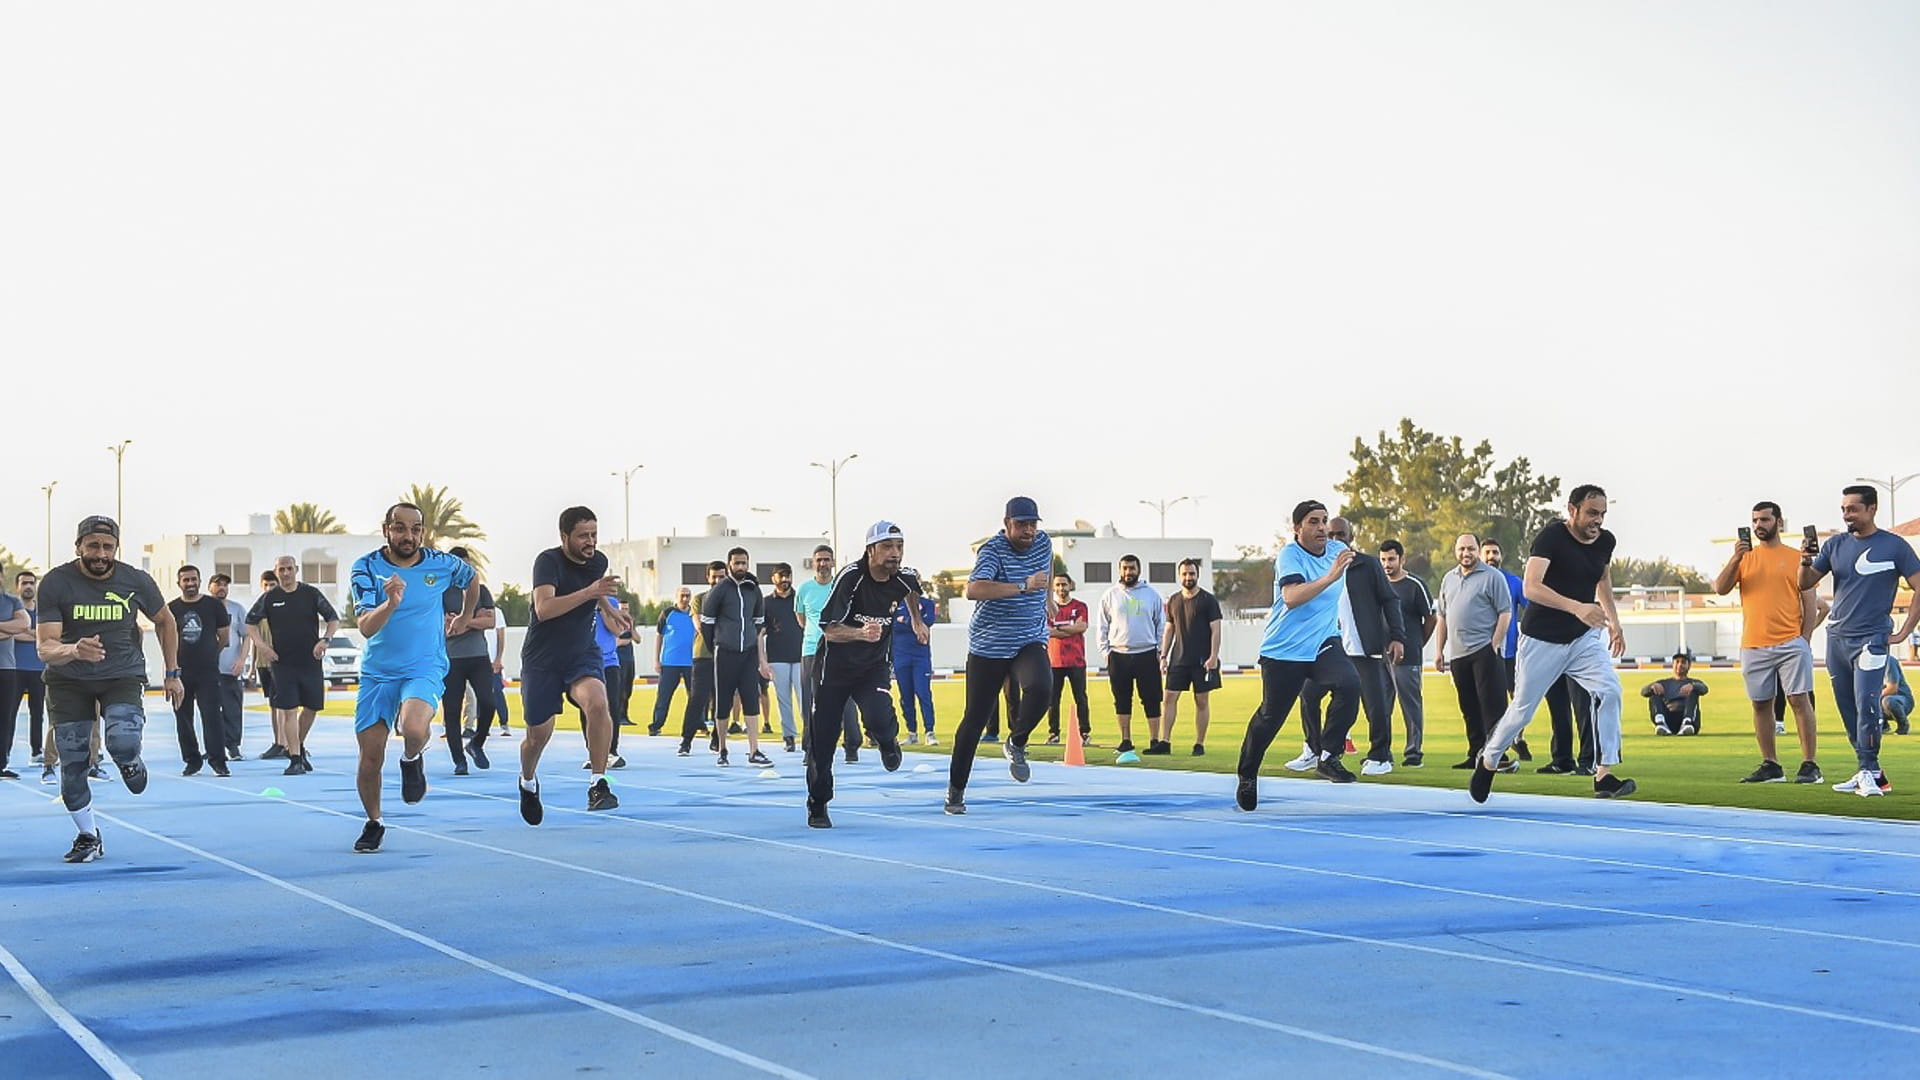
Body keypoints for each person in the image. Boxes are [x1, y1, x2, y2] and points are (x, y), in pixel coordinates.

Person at [1473, 485, 1636, 803]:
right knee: (1522, 711)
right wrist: (1577, 606)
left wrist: (1614, 623)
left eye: (1602, 514)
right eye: (1591, 513)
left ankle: (1604, 774)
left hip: (1583, 639)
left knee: (1610, 691)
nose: (1597, 521)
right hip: (1542, 639)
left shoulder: (1605, 541)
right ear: (1572, 510)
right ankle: (1490, 759)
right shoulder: (1551, 538)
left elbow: (1602, 579)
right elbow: (1532, 587)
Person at [36, 515, 185, 862]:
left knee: (123, 742)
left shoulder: (135, 580)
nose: (101, 553)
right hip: (68, 680)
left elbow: (164, 620)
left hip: (121, 675)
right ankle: (88, 835)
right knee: (73, 764)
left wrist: (173, 672)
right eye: (93, 546)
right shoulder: (56, 583)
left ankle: (130, 760)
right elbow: (45, 646)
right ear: (78, 547)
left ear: (116, 548)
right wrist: (74, 650)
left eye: (108, 546)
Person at [344, 503, 481, 852]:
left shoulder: (442, 563)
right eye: (400, 528)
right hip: (379, 673)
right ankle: (374, 822)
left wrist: (465, 617)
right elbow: (365, 627)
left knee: (415, 727)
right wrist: (390, 603)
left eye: (415, 529)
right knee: (371, 756)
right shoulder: (367, 568)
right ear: (386, 529)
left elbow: (472, 578)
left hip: (425, 665)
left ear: (423, 531)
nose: (409, 536)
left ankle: (411, 759)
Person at [1234, 500, 1362, 810]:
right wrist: (1330, 578)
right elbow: (1291, 598)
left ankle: (1329, 755)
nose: (1321, 528)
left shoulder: (1336, 550)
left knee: (1350, 683)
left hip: (1323, 642)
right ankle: (1248, 774)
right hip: (1285, 650)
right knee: (1270, 717)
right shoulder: (1290, 555)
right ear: (1298, 528)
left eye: (1324, 521)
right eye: (1313, 522)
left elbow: (1365, 565)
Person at [803, 521, 927, 828]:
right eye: (887, 547)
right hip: (834, 669)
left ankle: (888, 741)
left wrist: (915, 620)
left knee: (879, 718)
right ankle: (818, 803)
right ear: (870, 550)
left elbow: (912, 590)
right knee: (824, 740)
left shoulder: (904, 577)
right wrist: (860, 633)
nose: (894, 553)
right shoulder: (851, 577)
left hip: (872, 667)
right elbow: (829, 631)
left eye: (899, 546)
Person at [1799, 484, 1920, 797]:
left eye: (1852, 508)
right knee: (1848, 708)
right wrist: (1804, 559)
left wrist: (1905, 631)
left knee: (1868, 703)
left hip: (1872, 639)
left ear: (1871, 509)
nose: (1846, 514)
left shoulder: (1895, 546)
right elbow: (1805, 583)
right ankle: (1871, 772)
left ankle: (1868, 769)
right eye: (1843, 509)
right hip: (1837, 638)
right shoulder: (1835, 545)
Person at [517, 506, 626, 822]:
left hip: (581, 653)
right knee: (538, 736)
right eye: (583, 536)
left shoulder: (599, 562)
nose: (590, 541)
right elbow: (544, 608)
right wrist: (592, 592)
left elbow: (594, 589)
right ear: (564, 536)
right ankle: (527, 782)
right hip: (543, 659)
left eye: (594, 534)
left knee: (597, 702)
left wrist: (608, 608)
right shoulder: (548, 562)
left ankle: (598, 783)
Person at [946, 497, 1054, 815]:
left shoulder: (1044, 542)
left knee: (1042, 687)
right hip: (989, 645)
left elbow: (1045, 570)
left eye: (1032, 524)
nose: (1028, 531)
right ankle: (956, 790)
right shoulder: (992, 551)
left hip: (1028, 638)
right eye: (1021, 525)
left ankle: (1016, 742)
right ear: (1007, 524)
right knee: (975, 720)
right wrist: (1023, 586)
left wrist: (1047, 599)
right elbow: (974, 589)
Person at [1713, 501, 1823, 783]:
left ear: (1779, 522)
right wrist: (1736, 558)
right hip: (1753, 643)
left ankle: (1810, 764)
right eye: (1755, 521)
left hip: (1790, 642)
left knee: (1799, 700)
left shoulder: (1796, 556)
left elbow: (1809, 602)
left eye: (1764, 520)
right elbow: (1720, 588)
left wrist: (1804, 639)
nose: (1759, 526)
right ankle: (1770, 765)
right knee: (1761, 704)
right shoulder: (1744, 558)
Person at [1298, 519, 1407, 776]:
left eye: (1341, 534)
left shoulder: (1367, 565)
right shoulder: (1320, 565)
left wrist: (1397, 636)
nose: (1335, 538)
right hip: (1328, 647)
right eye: (1331, 533)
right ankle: (1315, 750)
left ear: (1351, 536)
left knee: (1375, 704)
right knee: (1308, 695)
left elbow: (1389, 599)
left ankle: (1380, 755)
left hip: (1363, 646)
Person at [246, 555, 338, 776]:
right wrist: (263, 647)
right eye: (281, 569)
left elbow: (333, 618)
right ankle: (295, 758)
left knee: (312, 707)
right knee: (288, 710)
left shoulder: (310, 593)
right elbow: (250, 622)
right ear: (276, 571)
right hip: (282, 663)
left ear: (296, 570)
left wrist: (325, 640)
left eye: (289, 569)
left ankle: (296, 745)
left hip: (310, 661)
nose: (285, 573)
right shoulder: (270, 598)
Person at [1434, 534, 1514, 773]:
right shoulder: (1449, 579)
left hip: (1484, 651)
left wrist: (1494, 644)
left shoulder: (1493, 577)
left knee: (1492, 707)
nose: (1465, 553)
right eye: (1461, 549)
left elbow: (1505, 613)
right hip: (1458, 655)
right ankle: (1475, 753)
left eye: (1470, 548)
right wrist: (1439, 651)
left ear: (1478, 550)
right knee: (1469, 708)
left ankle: (1496, 756)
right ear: (1455, 551)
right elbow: (1443, 617)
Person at [701, 547, 771, 768]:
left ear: (748, 563)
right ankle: (722, 749)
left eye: (744, 563)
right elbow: (707, 623)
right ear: (729, 564)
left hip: (748, 652)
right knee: (723, 703)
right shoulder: (720, 590)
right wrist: (718, 644)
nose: (740, 567)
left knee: (752, 699)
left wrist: (754, 645)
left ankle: (754, 750)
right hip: (725, 652)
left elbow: (759, 620)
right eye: (736, 563)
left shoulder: (754, 589)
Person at [796, 545, 860, 760]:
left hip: (840, 650)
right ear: (813, 563)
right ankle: (811, 748)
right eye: (819, 560)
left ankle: (852, 745)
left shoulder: (842, 587)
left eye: (826, 559)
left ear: (833, 562)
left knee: (846, 699)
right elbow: (801, 619)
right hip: (812, 650)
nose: (822, 563)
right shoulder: (804, 589)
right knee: (811, 702)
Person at [167, 565, 232, 777]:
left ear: (200, 580)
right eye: (186, 580)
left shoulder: (213, 606)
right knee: (183, 718)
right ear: (179, 584)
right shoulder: (171, 609)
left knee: (212, 716)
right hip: (180, 673)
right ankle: (192, 760)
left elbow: (223, 637)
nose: (190, 583)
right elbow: (166, 641)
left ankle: (218, 761)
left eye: (193, 579)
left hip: (208, 671)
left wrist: (211, 653)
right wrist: (170, 672)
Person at [439, 546, 497, 775]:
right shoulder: (442, 592)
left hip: (478, 655)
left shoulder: (481, 590)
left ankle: (476, 743)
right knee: (452, 710)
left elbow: (490, 622)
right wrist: (474, 618)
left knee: (488, 702)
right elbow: (444, 628)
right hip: (451, 658)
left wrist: (463, 620)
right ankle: (458, 760)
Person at [1098, 554, 1164, 754]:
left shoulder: (1152, 595)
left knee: (1151, 699)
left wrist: (1159, 651)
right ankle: (1125, 740)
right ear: (1120, 570)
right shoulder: (1110, 595)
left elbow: (1160, 625)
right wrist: (1105, 652)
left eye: (1132, 568)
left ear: (1139, 570)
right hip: (1118, 655)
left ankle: (1154, 740)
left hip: (1146, 654)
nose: (1128, 572)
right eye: (1125, 568)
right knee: (1122, 699)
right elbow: (1102, 626)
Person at [1378, 541, 1435, 767]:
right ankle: (1381, 751)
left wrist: (1417, 643)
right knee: (1381, 705)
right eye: (1383, 560)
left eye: (1391, 559)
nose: (1386, 564)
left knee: (1410, 705)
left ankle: (1413, 753)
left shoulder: (1414, 585)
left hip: (1407, 655)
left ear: (1402, 559)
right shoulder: (1378, 584)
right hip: (1380, 655)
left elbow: (1431, 618)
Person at [1161, 557, 1224, 757]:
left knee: (1202, 701)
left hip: (1202, 661)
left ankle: (1199, 743)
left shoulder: (1208, 600)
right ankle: (1165, 741)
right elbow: (1169, 629)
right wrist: (1163, 656)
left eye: (1192, 574)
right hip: (1178, 659)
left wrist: (1213, 656)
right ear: (1179, 576)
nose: (1188, 577)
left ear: (1197, 575)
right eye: (1185, 574)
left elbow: (1216, 630)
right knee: (1169, 698)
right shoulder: (1173, 601)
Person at [1480, 539, 1533, 763]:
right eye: (1487, 553)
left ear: (1501, 555)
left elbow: (1531, 608)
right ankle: (1490, 745)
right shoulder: (1475, 581)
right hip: (1483, 651)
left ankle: (1517, 738)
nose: (1491, 556)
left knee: (1517, 699)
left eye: (1495, 552)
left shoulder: (1513, 582)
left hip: (1511, 652)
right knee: (1489, 701)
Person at [677, 561, 726, 757]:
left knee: (722, 700)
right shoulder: (699, 599)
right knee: (697, 698)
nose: (717, 580)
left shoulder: (732, 599)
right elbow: (699, 625)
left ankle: (717, 739)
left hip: (725, 656)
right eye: (714, 576)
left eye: (721, 576)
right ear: (708, 578)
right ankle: (686, 740)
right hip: (703, 656)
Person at [10, 571, 50, 777]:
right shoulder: (13, 610)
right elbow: (12, 633)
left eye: (31, 583)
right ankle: (4, 754)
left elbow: (47, 636)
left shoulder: (42, 613)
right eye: (24, 582)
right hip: (15, 669)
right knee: (9, 714)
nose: (28, 586)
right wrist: (33, 634)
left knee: (38, 715)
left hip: (38, 670)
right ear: (17, 586)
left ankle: (36, 752)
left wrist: (27, 633)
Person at [891, 573, 938, 745]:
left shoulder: (927, 604)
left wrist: (907, 620)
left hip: (920, 657)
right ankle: (912, 732)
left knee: (923, 693)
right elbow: (893, 624)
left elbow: (928, 621)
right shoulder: (896, 605)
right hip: (901, 656)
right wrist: (912, 623)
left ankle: (930, 731)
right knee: (906, 696)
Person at [207, 572, 250, 760]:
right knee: (210, 711)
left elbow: (247, 635)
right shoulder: (203, 607)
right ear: (210, 587)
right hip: (208, 669)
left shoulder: (237, 609)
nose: (221, 588)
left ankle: (233, 746)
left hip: (230, 669)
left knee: (232, 710)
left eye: (225, 585)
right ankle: (213, 748)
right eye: (217, 584)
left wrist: (242, 660)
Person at [763, 566, 804, 752]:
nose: (785, 579)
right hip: (777, 657)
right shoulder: (766, 603)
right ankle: (789, 737)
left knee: (804, 698)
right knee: (783, 700)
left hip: (801, 656)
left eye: (788, 576)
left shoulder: (800, 598)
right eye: (781, 576)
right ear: (773, 578)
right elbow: (759, 634)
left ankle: (810, 735)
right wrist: (762, 661)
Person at [1046, 573, 1091, 746]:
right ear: (1053, 587)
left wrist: (1059, 628)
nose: (1061, 588)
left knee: (1080, 698)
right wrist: (1070, 629)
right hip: (1054, 661)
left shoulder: (1080, 606)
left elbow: (1081, 626)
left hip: (1076, 660)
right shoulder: (1048, 608)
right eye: (1057, 585)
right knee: (1052, 699)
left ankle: (1085, 733)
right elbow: (1047, 631)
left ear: (1070, 585)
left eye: (1064, 584)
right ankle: (1053, 733)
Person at [652, 586, 695, 737]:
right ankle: (656, 725)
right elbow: (659, 636)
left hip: (692, 662)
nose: (685, 598)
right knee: (664, 696)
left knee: (695, 697)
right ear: (676, 597)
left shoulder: (694, 614)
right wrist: (657, 660)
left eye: (688, 596)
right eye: (682, 595)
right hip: (670, 662)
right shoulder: (667, 613)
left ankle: (699, 724)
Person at [254, 569, 285, 759]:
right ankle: (277, 741)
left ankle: (288, 742)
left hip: (280, 662)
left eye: (272, 584)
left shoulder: (283, 605)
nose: (269, 588)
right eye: (266, 585)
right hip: (263, 663)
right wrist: (251, 667)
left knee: (285, 704)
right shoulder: (258, 608)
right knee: (273, 704)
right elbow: (253, 636)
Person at [1641, 652, 1708, 735]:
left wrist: (1693, 686)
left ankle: (1687, 722)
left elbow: (1704, 689)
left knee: (1693, 692)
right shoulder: (1663, 683)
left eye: (1683, 662)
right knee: (1654, 692)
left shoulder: (1693, 682)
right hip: (1669, 718)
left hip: (1688, 719)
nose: (1680, 665)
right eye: (1677, 662)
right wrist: (1652, 686)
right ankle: (1661, 724)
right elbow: (1643, 692)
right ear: (1673, 665)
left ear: (1689, 666)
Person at [0, 578, 27, 779]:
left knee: (5, 718)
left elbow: (23, 624)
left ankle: (1, 764)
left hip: (6, 668)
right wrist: (7, 629)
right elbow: (14, 628)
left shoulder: (11, 601)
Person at [1884, 657, 1912, 736]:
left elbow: (1892, 688)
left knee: (1889, 701)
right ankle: (1882, 725)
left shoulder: (1888, 661)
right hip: (1880, 698)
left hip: (1900, 698)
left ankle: (1903, 725)